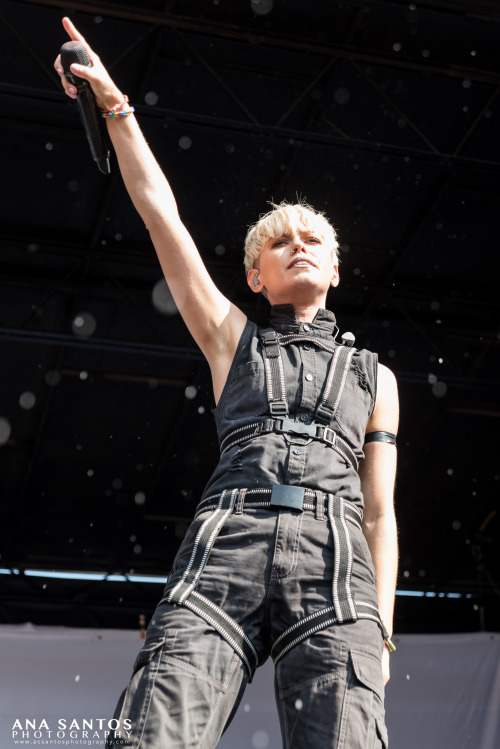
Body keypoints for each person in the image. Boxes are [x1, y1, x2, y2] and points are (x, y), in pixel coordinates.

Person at [55, 17, 399, 749]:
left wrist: (384, 630)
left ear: (335, 269)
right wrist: (118, 109)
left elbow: (379, 512)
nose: (297, 245)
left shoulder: (377, 377)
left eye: (313, 240)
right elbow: (162, 218)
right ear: (255, 275)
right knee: (155, 730)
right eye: (280, 241)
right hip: (227, 544)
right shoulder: (229, 334)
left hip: (337, 569)